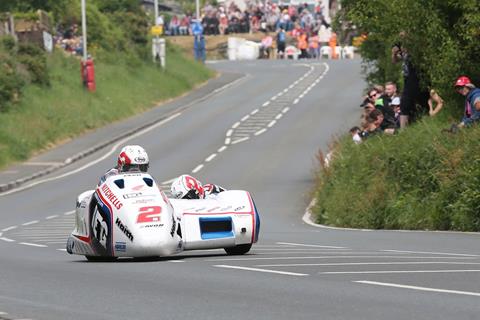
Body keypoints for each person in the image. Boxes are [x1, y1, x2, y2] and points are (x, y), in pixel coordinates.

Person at [392, 34, 429, 127]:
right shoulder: (401, 48)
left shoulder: (415, 47)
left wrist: (407, 49)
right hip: (407, 78)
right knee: (405, 103)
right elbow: (395, 61)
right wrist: (394, 54)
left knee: (413, 101)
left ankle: (425, 121)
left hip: (417, 77)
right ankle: (404, 129)